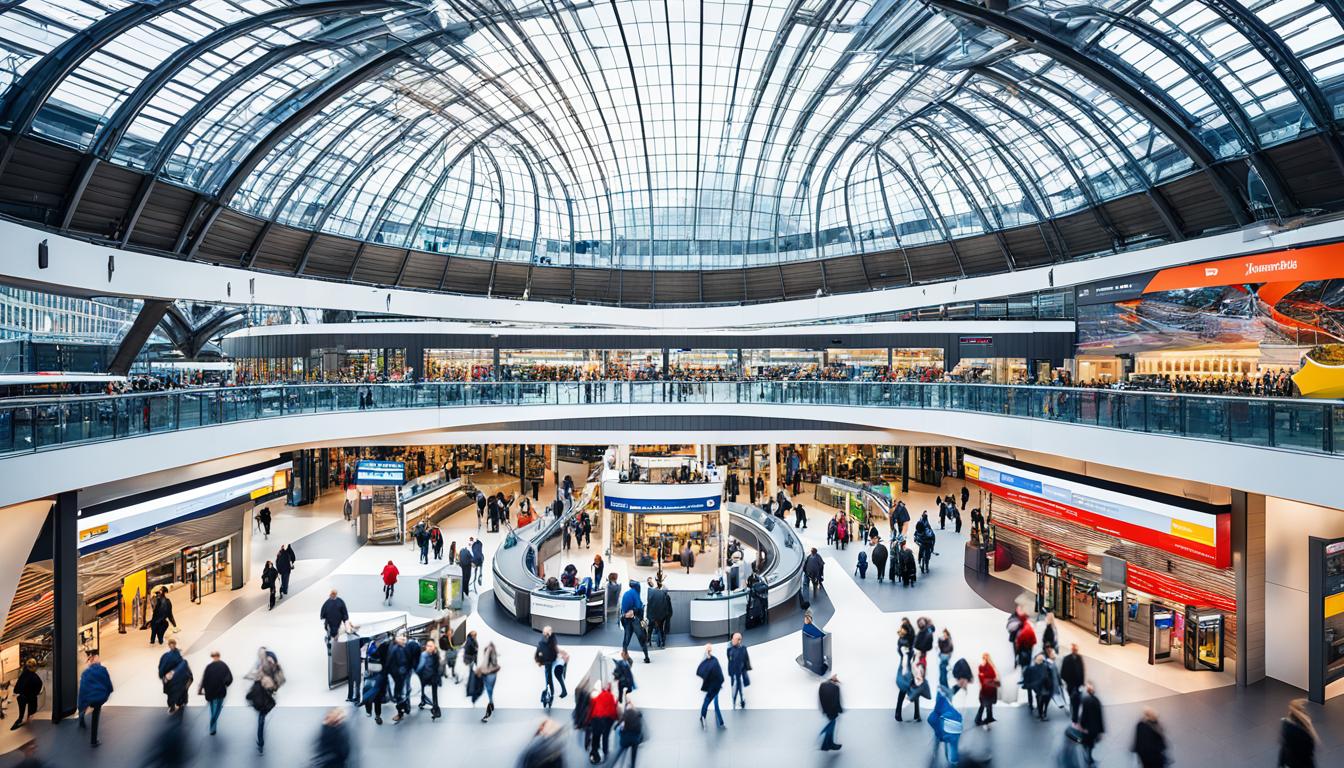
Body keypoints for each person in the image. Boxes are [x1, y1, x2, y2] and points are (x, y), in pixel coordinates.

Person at [245, 647, 283, 754]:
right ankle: (260, 742)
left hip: (264, 692)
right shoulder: (260, 663)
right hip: (262, 692)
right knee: (261, 715)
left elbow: (277, 679)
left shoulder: (270, 663)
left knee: (261, 716)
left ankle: (261, 742)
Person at [928, 673, 968, 766]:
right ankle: (952, 762)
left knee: (941, 741)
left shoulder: (944, 698)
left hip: (947, 724)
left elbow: (932, 719)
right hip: (951, 725)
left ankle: (942, 757)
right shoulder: (946, 696)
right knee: (950, 744)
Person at [77, 651, 113, 747]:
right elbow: (109, 685)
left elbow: (82, 689)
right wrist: (107, 693)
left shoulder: (86, 673)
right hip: (99, 697)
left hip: (88, 697)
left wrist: (81, 703)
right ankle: (93, 740)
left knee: (84, 706)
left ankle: (81, 717)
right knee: (95, 717)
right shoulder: (103, 670)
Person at [199, 650, 232, 735]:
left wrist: (202, 688)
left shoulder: (209, 667)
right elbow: (229, 678)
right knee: (216, 709)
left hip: (212, 691)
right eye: (214, 656)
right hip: (219, 690)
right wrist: (225, 683)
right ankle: (212, 727)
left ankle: (212, 727)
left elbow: (204, 679)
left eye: (215, 656)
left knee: (214, 709)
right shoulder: (223, 666)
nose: (215, 657)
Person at [1278, 698, 1317, 768]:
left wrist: (1281, 763)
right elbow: (1308, 753)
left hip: (1290, 762)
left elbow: (1284, 746)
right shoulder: (1303, 733)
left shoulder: (1286, 725)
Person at [620, 580, 651, 662]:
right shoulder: (635, 594)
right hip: (635, 620)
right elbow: (639, 606)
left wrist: (625, 614)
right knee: (641, 638)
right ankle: (646, 657)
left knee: (627, 638)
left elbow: (622, 608)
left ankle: (624, 654)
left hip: (626, 619)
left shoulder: (626, 593)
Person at [588, 682, 619, 763]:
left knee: (596, 736)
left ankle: (594, 755)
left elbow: (592, 705)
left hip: (596, 718)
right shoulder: (611, 696)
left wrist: (589, 718)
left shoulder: (598, 696)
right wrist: (615, 718)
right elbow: (613, 708)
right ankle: (605, 754)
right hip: (607, 719)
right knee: (605, 736)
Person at [1077, 680, 1106, 767]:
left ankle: (1088, 758)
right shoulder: (1097, 701)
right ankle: (1089, 757)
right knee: (1091, 744)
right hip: (1095, 728)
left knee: (1087, 743)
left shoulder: (1085, 700)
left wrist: (1081, 725)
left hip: (1087, 728)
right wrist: (1101, 730)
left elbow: (1083, 715)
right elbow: (1100, 716)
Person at [696, 643, 725, 729]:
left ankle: (704, 717)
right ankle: (720, 722)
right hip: (713, 685)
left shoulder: (712, 660)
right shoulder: (712, 660)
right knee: (712, 703)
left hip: (713, 685)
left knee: (709, 702)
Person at [537, 626, 568, 706]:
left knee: (554, 675)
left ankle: (557, 692)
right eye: (544, 632)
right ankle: (551, 693)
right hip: (549, 661)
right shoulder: (544, 641)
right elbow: (540, 650)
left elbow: (555, 649)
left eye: (546, 633)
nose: (544, 634)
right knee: (549, 678)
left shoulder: (551, 640)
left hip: (553, 660)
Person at [611, 696, 645, 767]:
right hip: (635, 738)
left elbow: (620, 721)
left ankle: (613, 764)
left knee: (621, 750)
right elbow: (640, 727)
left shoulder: (627, 713)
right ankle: (632, 765)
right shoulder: (638, 714)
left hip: (627, 736)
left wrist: (616, 726)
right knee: (633, 753)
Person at [10, 659, 41, 731]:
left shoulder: (23, 675)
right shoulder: (35, 677)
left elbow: (16, 688)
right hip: (31, 697)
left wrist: (20, 691)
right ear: (34, 667)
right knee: (31, 702)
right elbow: (38, 688)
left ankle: (21, 718)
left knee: (21, 698)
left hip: (23, 697)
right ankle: (28, 717)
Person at [416, 638, 442, 719]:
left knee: (434, 694)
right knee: (423, 691)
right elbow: (419, 667)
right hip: (425, 677)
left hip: (433, 677)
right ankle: (425, 702)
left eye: (431, 646)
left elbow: (437, 666)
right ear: (426, 647)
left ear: (434, 647)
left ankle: (435, 709)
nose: (429, 647)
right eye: (428, 646)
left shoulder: (435, 655)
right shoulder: (424, 655)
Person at [1024, 652, 1055, 721]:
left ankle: (1041, 714)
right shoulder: (1045, 667)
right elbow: (1046, 677)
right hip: (1043, 687)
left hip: (1038, 687)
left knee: (1040, 700)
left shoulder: (1032, 668)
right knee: (1043, 701)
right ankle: (1042, 715)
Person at [476, 640, 500, 722]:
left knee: (489, 691)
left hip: (489, 674)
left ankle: (490, 706)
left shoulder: (490, 652)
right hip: (492, 674)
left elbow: (486, 663)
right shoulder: (493, 652)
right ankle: (490, 704)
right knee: (489, 691)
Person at [1060, 643, 1086, 721]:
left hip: (1078, 684)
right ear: (1072, 650)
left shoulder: (1079, 658)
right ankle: (1073, 711)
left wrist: (1082, 682)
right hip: (1070, 684)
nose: (1075, 651)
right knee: (1072, 698)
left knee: (1077, 699)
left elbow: (1082, 670)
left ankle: (1075, 713)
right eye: (1074, 650)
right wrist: (1067, 681)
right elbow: (1062, 672)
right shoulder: (1066, 659)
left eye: (1076, 650)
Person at [818, 674, 843, 751]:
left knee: (831, 725)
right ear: (835, 681)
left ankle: (829, 744)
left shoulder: (822, 685)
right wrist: (840, 710)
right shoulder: (836, 688)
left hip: (826, 710)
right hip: (833, 710)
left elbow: (820, 698)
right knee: (831, 726)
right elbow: (837, 700)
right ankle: (827, 745)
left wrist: (824, 709)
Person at [726, 632, 751, 708]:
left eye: (735, 639)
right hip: (734, 672)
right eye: (732, 639)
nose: (732, 640)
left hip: (740, 671)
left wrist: (746, 668)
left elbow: (746, 659)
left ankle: (739, 700)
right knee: (735, 686)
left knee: (738, 686)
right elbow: (729, 659)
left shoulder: (743, 649)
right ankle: (737, 700)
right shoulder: (729, 649)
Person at [647, 577, 672, 648]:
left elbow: (649, 604)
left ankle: (649, 642)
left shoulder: (651, 592)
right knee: (660, 629)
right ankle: (661, 643)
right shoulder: (665, 595)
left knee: (651, 628)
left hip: (653, 614)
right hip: (660, 615)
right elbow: (668, 608)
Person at [975, 652, 998, 727]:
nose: (985, 659)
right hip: (985, 688)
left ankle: (989, 717)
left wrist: (986, 677)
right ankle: (978, 719)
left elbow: (993, 676)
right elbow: (981, 677)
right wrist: (985, 677)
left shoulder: (990, 666)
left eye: (986, 658)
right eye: (984, 658)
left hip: (990, 688)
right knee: (983, 704)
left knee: (989, 703)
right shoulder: (981, 667)